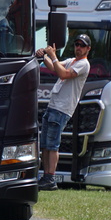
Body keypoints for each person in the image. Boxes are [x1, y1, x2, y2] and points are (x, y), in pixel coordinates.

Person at [35, 34, 91, 191]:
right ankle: (45, 176)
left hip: (62, 109)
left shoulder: (83, 64)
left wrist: (52, 55)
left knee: (52, 145)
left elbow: (63, 74)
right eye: (76, 44)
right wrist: (44, 56)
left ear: (88, 49)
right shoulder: (72, 61)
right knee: (46, 144)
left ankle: (50, 178)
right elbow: (54, 66)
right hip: (54, 106)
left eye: (82, 45)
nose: (78, 47)